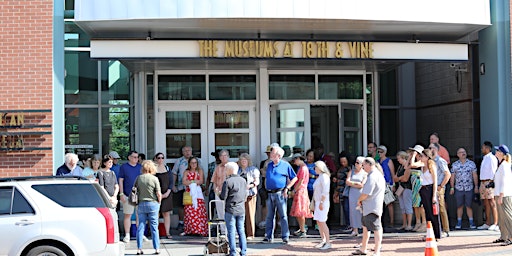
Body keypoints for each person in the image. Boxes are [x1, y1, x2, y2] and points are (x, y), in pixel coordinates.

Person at [262, 146, 298, 244]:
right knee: (269, 216)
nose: (270, 155)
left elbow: (294, 178)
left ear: (278, 155)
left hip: (280, 193)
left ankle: (285, 236)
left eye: (272, 153)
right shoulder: (269, 165)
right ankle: (268, 236)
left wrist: (287, 188)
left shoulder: (285, 165)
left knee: (283, 215)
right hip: (270, 193)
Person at [352, 157, 385, 256]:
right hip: (370, 206)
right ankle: (363, 248)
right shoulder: (376, 175)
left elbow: (366, 193)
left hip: (372, 207)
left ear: (369, 165)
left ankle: (377, 251)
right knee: (366, 228)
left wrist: (359, 200)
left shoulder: (372, 176)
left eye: (364, 165)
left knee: (376, 228)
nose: (362, 167)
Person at [219, 162, 248, 256]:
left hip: (230, 209)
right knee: (241, 230)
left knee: (231, 231)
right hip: (241, 208)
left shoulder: (227, 181)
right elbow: (245, 194)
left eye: (226, 169)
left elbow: (223, 197)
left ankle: (233, 252)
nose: (225, 171)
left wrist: (218, 192)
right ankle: (243, 251)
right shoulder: (243, 180)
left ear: (229, 170)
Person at [135, 160, 162, 255]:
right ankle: (157, 248)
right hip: (153, 204)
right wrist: (159, 203)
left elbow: (135, 191)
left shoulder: (139, 178)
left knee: (141, 226)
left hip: (141, 203)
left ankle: (139, 248)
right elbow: (158, 193)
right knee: (154, 227)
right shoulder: (154, 179)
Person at [172, 146, 202, 230]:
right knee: (182, 205)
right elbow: (174, 173)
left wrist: (202, 185)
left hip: (196, 189)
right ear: (182, 152)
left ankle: (194, 224)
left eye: (189, 150)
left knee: (195, 205)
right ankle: (181, 222)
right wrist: (173, 185)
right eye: (185, 151)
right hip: (182, 187)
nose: (187, 152)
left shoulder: (198, 161)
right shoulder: (179, 161)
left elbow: (201, 173)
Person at [449, 147, 478, 229]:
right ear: (458, 155)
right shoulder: (455, 165)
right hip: (459, 188)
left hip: (469, 188)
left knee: (469, 206)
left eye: (464, 151)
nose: (463, 153)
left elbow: (475, 176)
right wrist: (452, 187)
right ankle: (459, 223)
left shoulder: (471, 164)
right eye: (461, 152)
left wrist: (476, 186)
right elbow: (452, 177)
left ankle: (471, 223)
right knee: (459, 206)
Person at [119, 150, 142, 243]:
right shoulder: (124, 167)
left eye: (137, 157)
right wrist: (121, 194)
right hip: (128, 194)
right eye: (134, 157)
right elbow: (120, 180)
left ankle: (140, 234)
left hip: (139, 194)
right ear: (129, 157)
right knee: (128, 215)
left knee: (139, 215)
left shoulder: (140, 167)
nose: (136, 159)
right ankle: (127, 235)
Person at [181, 156, 208, 236]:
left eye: (195, 162)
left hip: (198, 194)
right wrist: (194, 181)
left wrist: (191, 181)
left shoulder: (200, 171)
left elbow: (201, 181)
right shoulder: (186, 171)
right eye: (192, 163)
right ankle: (190, 230)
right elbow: (184, 182)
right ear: (189, 163)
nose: (193, 164)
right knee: (189, 211)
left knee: (199, 211)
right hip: (189, 193)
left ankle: (199, 230)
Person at [418, 148, 441, 240]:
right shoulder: (422, 166)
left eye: (422, 156)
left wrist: (434, 195)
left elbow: (435, 181)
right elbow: (410, 165)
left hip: (430, 189)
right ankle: (429, 233)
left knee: (433, 213)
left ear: (427, 157)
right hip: (423, 189)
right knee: (427, 213)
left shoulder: (432, 166)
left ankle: (437, 234)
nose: (420, 158)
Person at [430, 142, 451, 237]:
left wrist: (441, 186)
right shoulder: (430, 161)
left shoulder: (440, 161)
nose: (430, 150)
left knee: (441, 208)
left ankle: (446, 230)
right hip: (431, 186)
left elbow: (448, 174)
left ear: (437, 150)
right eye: (429, 148)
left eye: (432, 148)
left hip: (439, 187)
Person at [492, 144, 512, 246]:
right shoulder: (500, 164)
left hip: (504, 194)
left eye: (497, 150)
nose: (495, 152)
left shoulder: (505, 165)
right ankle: (504, 236)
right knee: (501, 217)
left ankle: (510, 237)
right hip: (499, 193)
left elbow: (505, 181)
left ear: (501, 153)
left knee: (507, 216)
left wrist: (501, 195)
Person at [289, 153, 312, 238]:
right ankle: (301, 228)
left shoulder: (303, 168)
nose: (294, 162)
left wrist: (294, 190)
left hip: (301, 191)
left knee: (301, 211)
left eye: (295, 160)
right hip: (300, 190)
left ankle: (302, 229)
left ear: (299, 159)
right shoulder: (302, 168)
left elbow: (300, 181)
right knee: (298, 211)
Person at [238, 153, 260, 240]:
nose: (243, 162)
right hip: (239, 195)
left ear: (248, 161)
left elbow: (257, 181)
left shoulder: (253, 169)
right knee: (240, 215)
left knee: (250, 214)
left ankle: (250, 234)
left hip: (250, 194)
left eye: (245, 160)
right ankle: (240, 233)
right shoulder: (237, 170)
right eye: (242, 160)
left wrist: (250, 185)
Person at [479, 141, 499, 231]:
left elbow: (494, 170)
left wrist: (492, 181)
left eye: (483, 147)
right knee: (485, 202)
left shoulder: (491, 158)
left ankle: (495, 223)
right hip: (483, 182)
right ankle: (487, 222)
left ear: (487, 148)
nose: (482, 149)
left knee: (492, 202)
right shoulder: (485, 158)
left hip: (489, 182)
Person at [312, 160, 332, 250]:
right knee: (319, 222)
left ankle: (328, 242)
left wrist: (321, 202)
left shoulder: (324, 177)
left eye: (315, 167)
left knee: (322, 222)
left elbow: (325, 191)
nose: (314, 169)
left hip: (322, 202)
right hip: (318, 202)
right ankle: (323, 240)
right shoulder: (320, 176)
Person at [346, 156, 368, 236]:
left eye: (358, 163)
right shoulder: (351, 171)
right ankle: (354, 229)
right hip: (352, 193)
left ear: (362, 164)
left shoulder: (365, 173)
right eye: (356, 162)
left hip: (360, 193)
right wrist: (355, 184)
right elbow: (347, 182)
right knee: (353, 211)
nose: (356, 164)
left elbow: (362, 185)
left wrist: (353, 183)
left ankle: (363, 228)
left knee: (362, 211)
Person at [153, 152, 173, 239]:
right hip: (156, 194)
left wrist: (168, 192)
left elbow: (171, 182)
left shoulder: (167, 168)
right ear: (155, 159)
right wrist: (158, 194)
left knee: (166, 213)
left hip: (167, 194)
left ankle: (167, 232)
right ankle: (155, 232)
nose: (160, 159)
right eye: (159, 158)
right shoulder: (153, 169)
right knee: (155, 214)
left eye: (162, 158)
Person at [408, 145, 427, 233]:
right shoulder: (414, 161)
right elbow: (407, 167)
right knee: (415, 204)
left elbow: (412, 165)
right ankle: (418, 222)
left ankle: (424, 222)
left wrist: (413, 157)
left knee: (421, 204)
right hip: (414, 185)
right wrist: (410, 157)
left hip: (420, 184)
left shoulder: (422, 162)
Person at [211, 149, 230, 235]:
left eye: (225, 155)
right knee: (220, 212)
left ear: (228, 157)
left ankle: (232, 231)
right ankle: (223, 232)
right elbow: (214, 181)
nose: (223, 157)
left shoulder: (232, 166)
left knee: (230, 212)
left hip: (229, 193)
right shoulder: (217, 168)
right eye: (222, 156)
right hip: (219, 192)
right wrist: (216, 190)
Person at [394, 151, 413, 231]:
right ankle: (404, 224)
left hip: (407, 188)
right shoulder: (400, 167)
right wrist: (400, 178)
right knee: (402, 207)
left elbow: (405, 178)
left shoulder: (408, 166)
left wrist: (399, 178)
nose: (398, 160)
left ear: (403, 158)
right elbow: (395, 177)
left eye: (399, 158)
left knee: (408, 206)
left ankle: (409, 224)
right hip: (401, 187)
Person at [377, 145, 395, 227]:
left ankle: (392, 221)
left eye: (381, 152)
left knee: (389, 203)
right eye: (378, 152)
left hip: (388, 183)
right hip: (379, 183)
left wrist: (393, 184)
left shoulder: (388, 161)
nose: (379, 153)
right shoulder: (377, 161)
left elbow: (392, 173)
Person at [335, 154, 350, 229]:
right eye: (341, 162)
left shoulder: (350, 169)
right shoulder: (339, 169)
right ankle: (348, 224)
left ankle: (350, 224)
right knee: (344, 208)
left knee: (347, 208)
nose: (343, 163)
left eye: (344, 161)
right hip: (341, 191)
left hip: (347, 191)